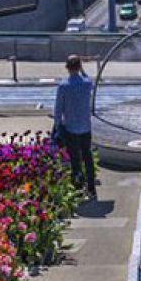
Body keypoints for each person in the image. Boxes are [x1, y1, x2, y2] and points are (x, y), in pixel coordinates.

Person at [52, 55, 96, 200]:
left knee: (75, 159)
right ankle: (91, 187)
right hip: (85, 126)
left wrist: (57, 125)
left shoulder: (63, 86)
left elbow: (58, 109)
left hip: (71, 127)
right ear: (79, 67)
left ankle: (78, 186)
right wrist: (82, 70)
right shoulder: (86, 83)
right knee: (87, 156)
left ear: (67, 67)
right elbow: (90, 80)